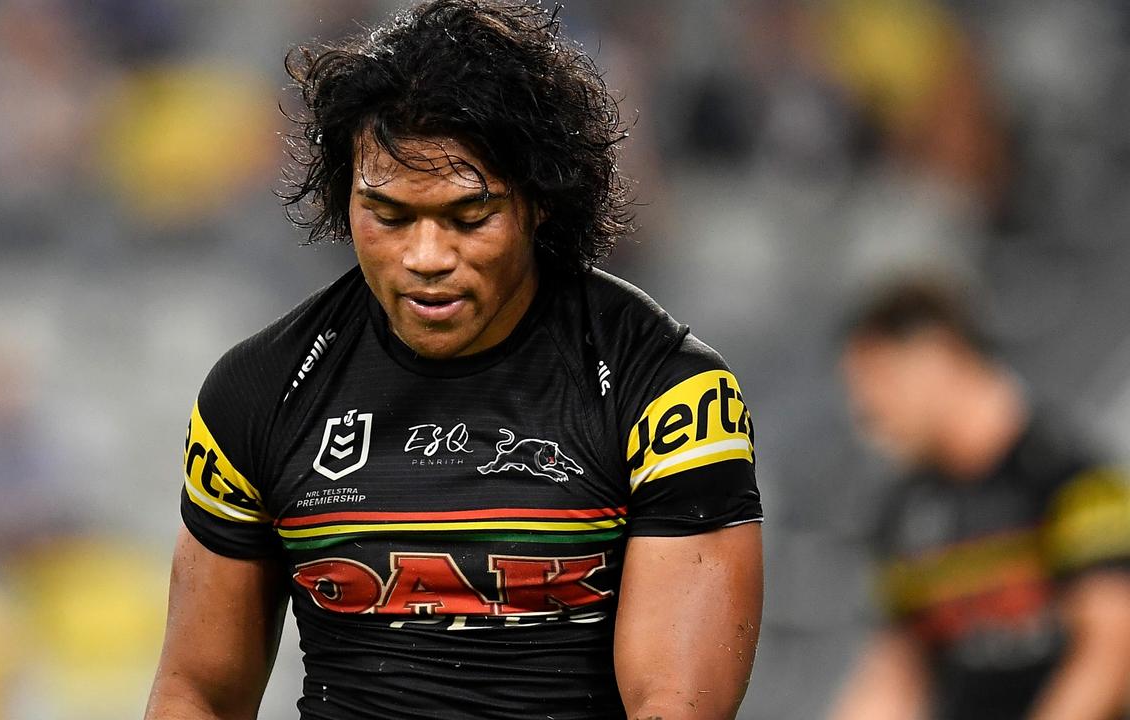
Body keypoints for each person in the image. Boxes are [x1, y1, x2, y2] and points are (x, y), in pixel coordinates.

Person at [144, 2, 763, 719]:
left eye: (469, 218)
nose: (426, 259)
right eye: (389, 216)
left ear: (540, 202)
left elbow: (676, 705)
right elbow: (198, 693)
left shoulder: (667, 392)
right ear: (343, 198)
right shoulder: (257, 394)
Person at [833, 279, 1130, 720]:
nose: (867, 413)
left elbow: (1111, 653)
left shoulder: (1076, 481)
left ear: (934, 356)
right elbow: (894, 678)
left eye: (877, 382)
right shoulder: (903, 510)